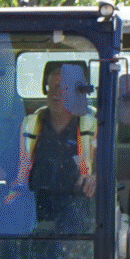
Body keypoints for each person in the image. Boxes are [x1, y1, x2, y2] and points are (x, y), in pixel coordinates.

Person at [12, 61, 95, 232]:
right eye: (51, 88)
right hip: (35, 201)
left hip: (76, 203)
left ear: (76, 93)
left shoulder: (93, 127)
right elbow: (7, 161)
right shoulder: (30, 125)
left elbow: (107, 169)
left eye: (62, 88)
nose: (55, 94)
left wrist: (96, 177)